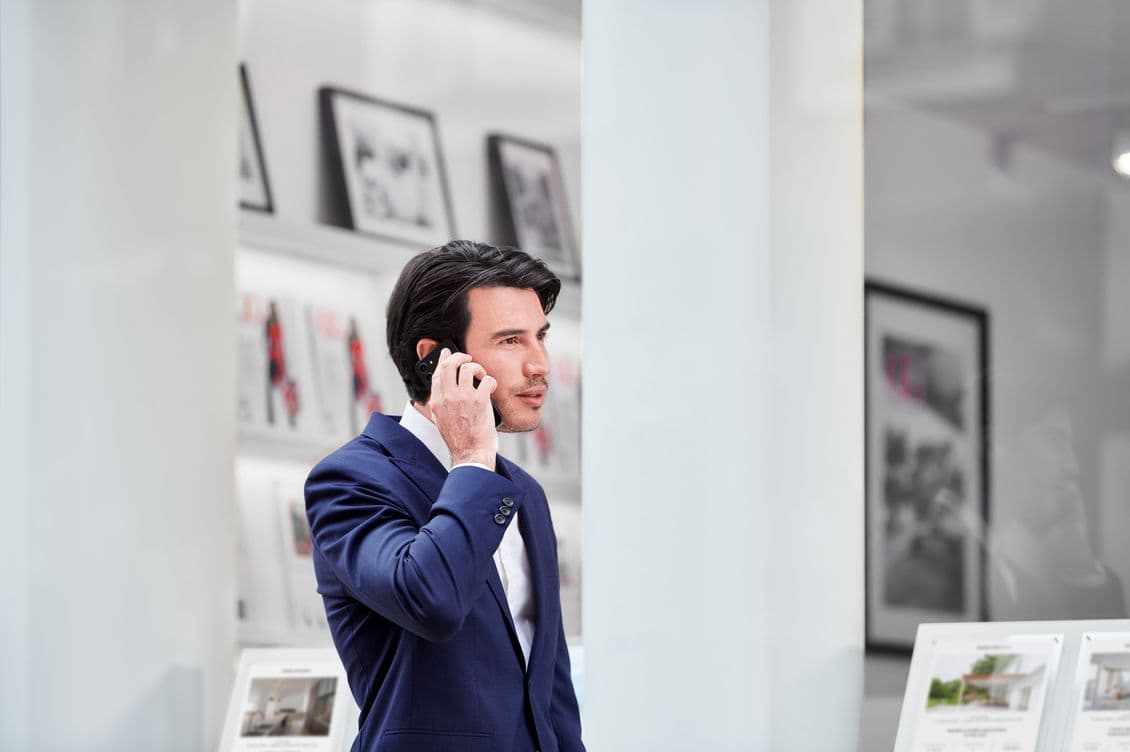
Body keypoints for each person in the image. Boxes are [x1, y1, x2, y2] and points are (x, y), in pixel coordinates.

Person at [305, 240, 584, 752]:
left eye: (540, 337)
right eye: (510, 341)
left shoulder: (524, 493)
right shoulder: (348, 481)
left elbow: (552, 692)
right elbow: (428, 598)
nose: (540, 364)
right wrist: (474, 457)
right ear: (436, 361)